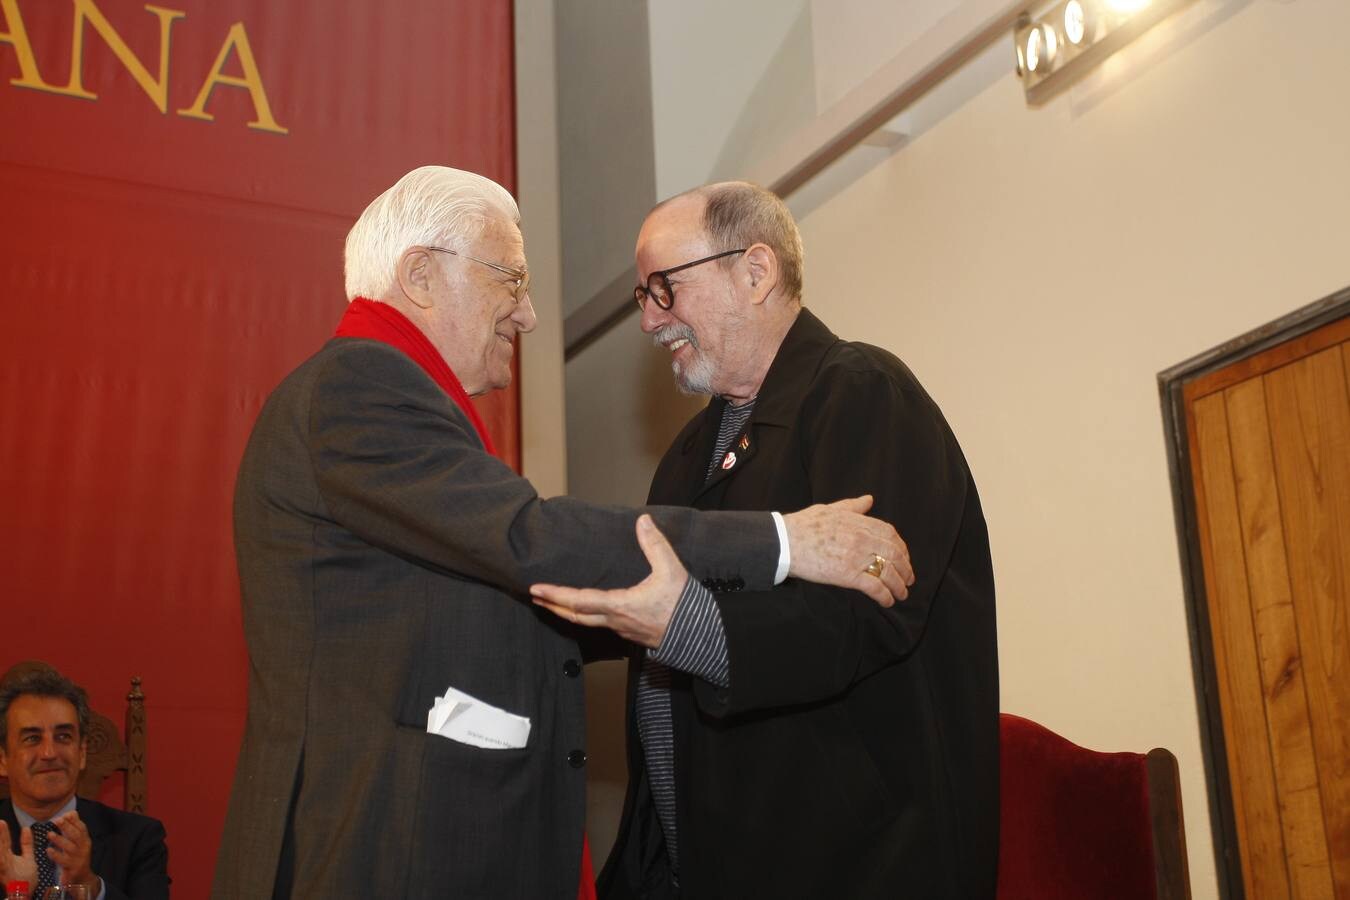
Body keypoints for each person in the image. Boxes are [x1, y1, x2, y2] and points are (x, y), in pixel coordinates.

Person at [211, 166, 915, 900]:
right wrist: (787, 544)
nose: (529, 314)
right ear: (420, 275)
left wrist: (663, 617)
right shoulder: (361, 386)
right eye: (510, 280)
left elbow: (499, 598)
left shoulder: (860, 391)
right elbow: (530, 537)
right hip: (372, 844)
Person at [531, 182, 1000, 899]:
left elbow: (864, 613)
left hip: (848, 864)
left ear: (754, 272)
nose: (651, 321)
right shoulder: (687, 455)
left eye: (665, 288)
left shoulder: (863, 392)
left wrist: (687, 624)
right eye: (641, 298)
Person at [0, 667, 170, 900]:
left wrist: (88, 884)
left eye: (63, 737)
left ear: (81, 753)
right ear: (3, 760)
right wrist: (17, 894)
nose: (49, 752)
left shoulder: (137, 838)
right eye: (32, 738)